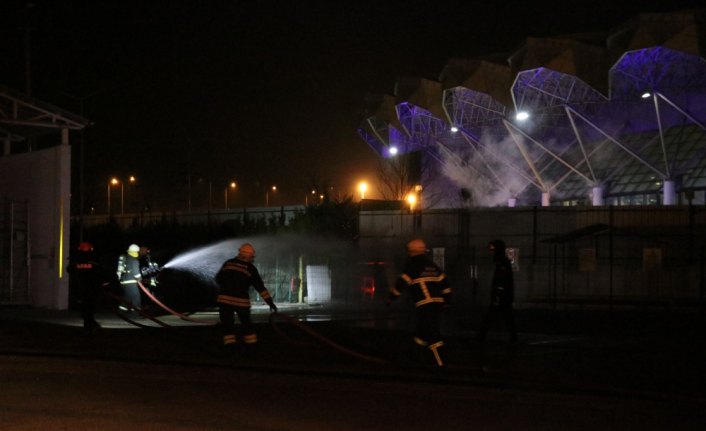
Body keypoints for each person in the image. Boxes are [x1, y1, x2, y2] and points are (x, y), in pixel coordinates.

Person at [388, 239, 451, 368]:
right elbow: (445, 284)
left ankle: (441, 363)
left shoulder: (412, 265)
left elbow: (401, 284)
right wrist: (447, 301)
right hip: (438, 303)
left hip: (425, 304)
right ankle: (413, 357)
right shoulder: (432, 265)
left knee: (432, 333)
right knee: (421, 333)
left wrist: (391, 298)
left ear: (410, 251)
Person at [215, 243, 277, 353]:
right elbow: (260, 287)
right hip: (241, 302)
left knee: (227, 325)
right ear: (248, 256)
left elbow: (218, 279)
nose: (252, 259)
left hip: (224, 300)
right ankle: (251, 348)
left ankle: (230, 349)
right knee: (246, 325)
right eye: (252, 257)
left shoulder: (228, 263)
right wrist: (270, 303)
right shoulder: (250, 268)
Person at [476, 239, 517, 344]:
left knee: (492, 317)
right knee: (507, 318)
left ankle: (481, 337)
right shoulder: (502, 262)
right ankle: (513, 339)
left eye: (494, 250)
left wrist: (497, 296)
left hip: (502, 297)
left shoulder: (502, 262)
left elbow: (501, 282)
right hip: (504, 296)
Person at [66, 242, 111, 333]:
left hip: (79, 288)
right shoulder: (94, 261)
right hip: (92, 289)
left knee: (85, 307)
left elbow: (69, 270)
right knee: (89, 307)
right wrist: (105, 284)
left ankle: (89, 324)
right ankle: (90, 324)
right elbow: (100, 273)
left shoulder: (76, 262)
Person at [116, 243, 143, 310]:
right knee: (136, 297)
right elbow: (136, 272)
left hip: (123, 282)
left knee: (128, 297)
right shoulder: (134, 260)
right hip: (131, 282)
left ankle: (123, 309)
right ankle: (136, 312)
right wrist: (140, 279)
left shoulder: (126, 258)